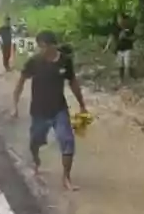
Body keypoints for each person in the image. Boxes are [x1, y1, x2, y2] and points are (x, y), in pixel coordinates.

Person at [13, 31, 88, 191]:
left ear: (52, 45)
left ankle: (66, 177)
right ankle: (35, 160)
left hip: (59, 109)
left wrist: (82, 104)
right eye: (41, 46)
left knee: (67, 141)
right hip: (39, 111)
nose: (42, 49)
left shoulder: (65, 61)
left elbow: (73, 82)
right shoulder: (34, 62)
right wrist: (15, 106)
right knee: (35, 141)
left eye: (45, 46)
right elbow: (20, 82)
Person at [103, 13, 135, 83]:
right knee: (120, 65)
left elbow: (134, 37)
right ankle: (121, 79)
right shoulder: (116, 28)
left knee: (127, 64)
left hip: (128, 48)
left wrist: (126, 37)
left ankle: (129, 78)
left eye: (121, 19)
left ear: (125, 20)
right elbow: (111, 37)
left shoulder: (129, 27)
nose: (120, 20)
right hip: (119, 49)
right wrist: (107, 47)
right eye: (118, 19)